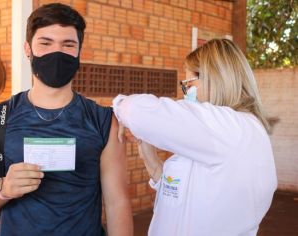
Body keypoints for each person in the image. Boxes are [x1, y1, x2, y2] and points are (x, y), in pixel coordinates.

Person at [0, 3, 133, 236]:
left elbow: (118, 204)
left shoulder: (103, 121)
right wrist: (5, 188)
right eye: (45, 43)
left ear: (78, 51)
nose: (57, 52)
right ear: (27, 49)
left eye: (68, 44)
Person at [112, 39, 277, 236]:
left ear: (216, 78)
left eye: (189, 83)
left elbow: (137, 110)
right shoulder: (223, 131)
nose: (186, 93)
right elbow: (187, 191)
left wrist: (120, 106)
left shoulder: (229, 128)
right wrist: (152, 161)